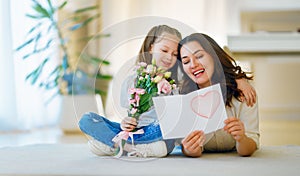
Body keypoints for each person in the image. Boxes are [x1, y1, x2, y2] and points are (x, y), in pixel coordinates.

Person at [79, 25, 257, 158]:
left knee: (167, 127)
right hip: (139, 131)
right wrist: (127, 122)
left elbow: (220, 58)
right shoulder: (141, 80)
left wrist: (237, 79)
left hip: (160, 134)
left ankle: (118, 145)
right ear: (150, 48)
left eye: (174, 55)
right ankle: (123, 144)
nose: (170, 58)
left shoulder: (177, 85)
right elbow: (132, 114)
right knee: (87, 119)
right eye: (185, 60)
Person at [177, 33, 259, 157]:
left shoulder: (243, 92)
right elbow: (188, 148)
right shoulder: (182, 97)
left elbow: (249, 147)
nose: (193, 65)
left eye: (199, 56)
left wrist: (242, 138)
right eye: (186, 61)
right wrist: (190, 149)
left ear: (214, 56)